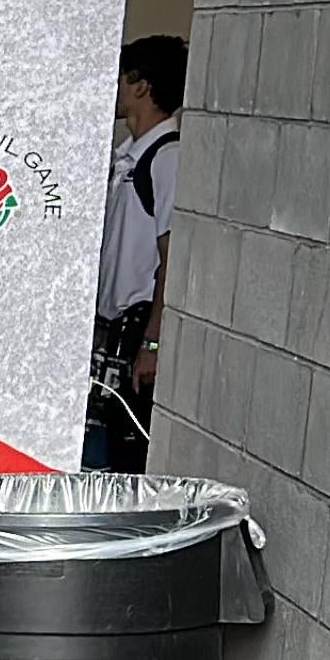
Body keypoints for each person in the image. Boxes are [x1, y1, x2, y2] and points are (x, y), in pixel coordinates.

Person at [86, 34, 184, 473]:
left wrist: (153, 341)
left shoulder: (167, 158)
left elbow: (172, 257)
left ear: (142, 85)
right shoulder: (127, 158)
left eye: (121, 79)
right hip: (109, 332)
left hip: (136, 330)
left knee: (126, 458)